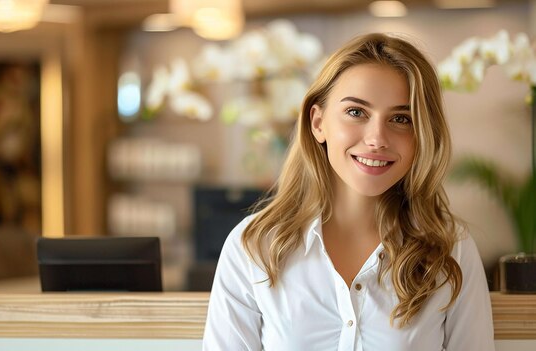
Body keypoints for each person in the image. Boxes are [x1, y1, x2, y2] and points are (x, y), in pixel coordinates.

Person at [202, 33, 495, 351]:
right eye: (357, 112)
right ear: (318, 122)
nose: (377, 138)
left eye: (400, 119)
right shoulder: (253, 246)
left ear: (422, 135)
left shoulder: (452, 248)